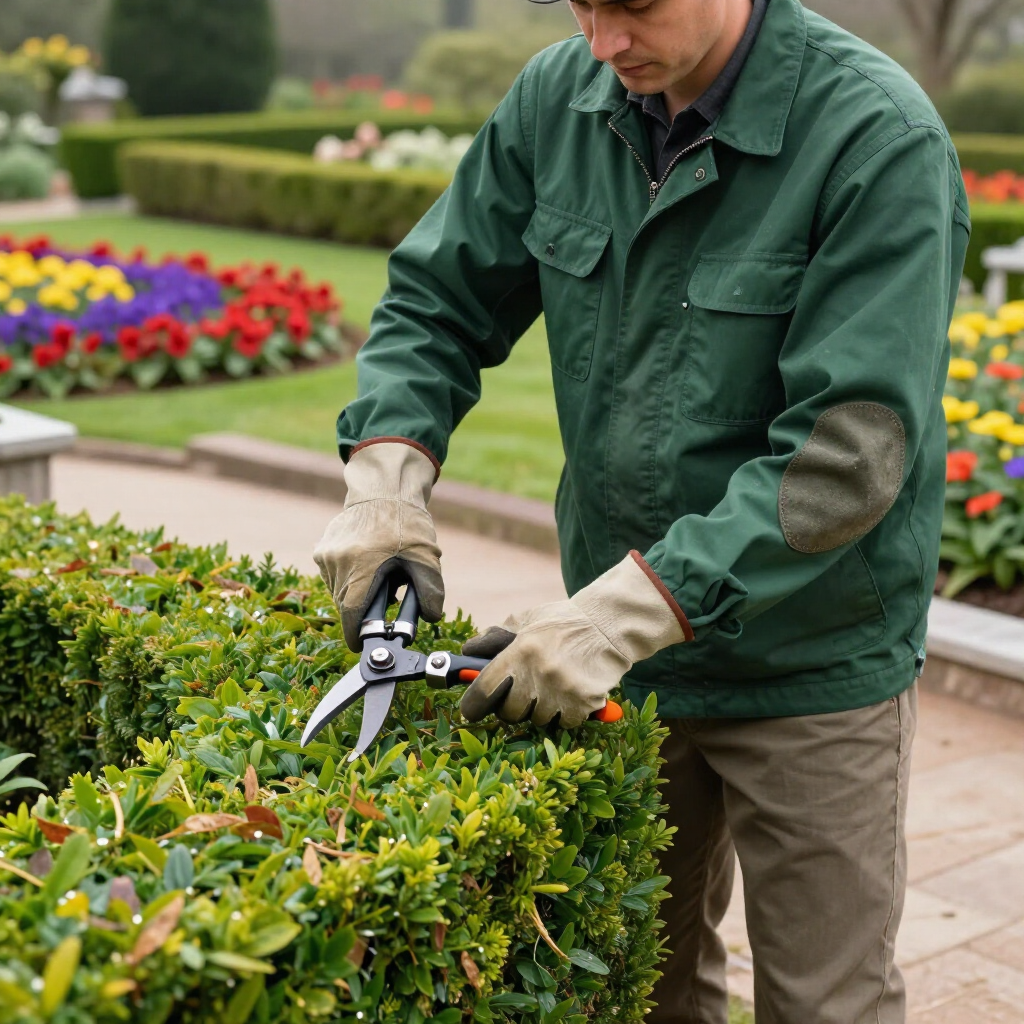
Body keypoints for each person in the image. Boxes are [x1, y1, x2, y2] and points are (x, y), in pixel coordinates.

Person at [313, 0, 969, 1020]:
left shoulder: (873, 134)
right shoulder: (557, 100)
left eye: (634, 7)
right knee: (637, 987)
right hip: (621, 655)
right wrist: (385, 484)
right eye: (582, 5)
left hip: (811, 665)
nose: (602, 44)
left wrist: (617, 613)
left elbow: (845, 459)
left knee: (823, 1002)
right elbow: (437, 303)